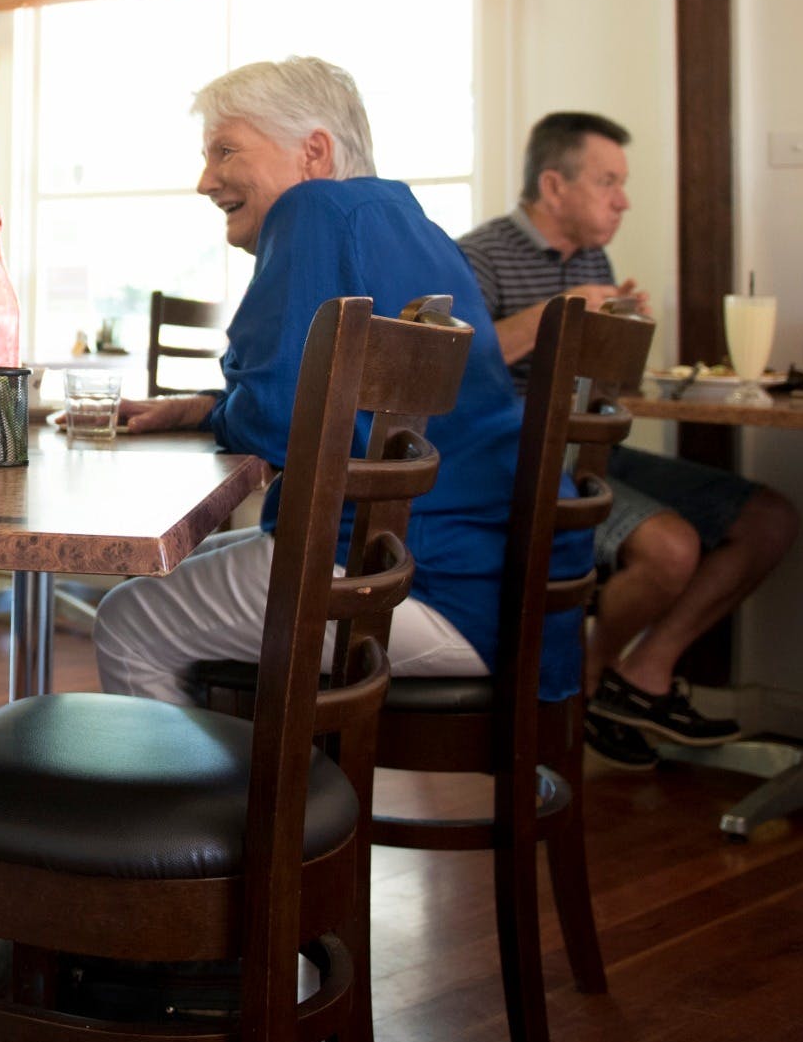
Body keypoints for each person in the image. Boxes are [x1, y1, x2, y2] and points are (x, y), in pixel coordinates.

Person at [93, 57, 588, 709]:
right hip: (503, 581)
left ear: (314, 152)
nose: (204, 180)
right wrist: (208, 408)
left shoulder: (312, 208)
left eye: (225, 150)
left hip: (421, 578)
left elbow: (275, 419)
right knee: (192, 578)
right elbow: (322, 400)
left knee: (129, 619)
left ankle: (201, 808)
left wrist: (229, 411)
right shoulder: (413, 225)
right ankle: (245, 782)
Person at [456, 112, 799, 766]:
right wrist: (558, 315)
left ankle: (635, 672)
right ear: (554, 186)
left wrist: (621, 329)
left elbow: (605, 384)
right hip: (516, 452)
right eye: (608, 181)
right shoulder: (478, 254)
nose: (623, 199)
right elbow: (458, 363)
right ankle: (589, 681)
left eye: (622, 183)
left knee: (770, 520)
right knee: (671, 549)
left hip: (590, 443)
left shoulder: (592, 257)